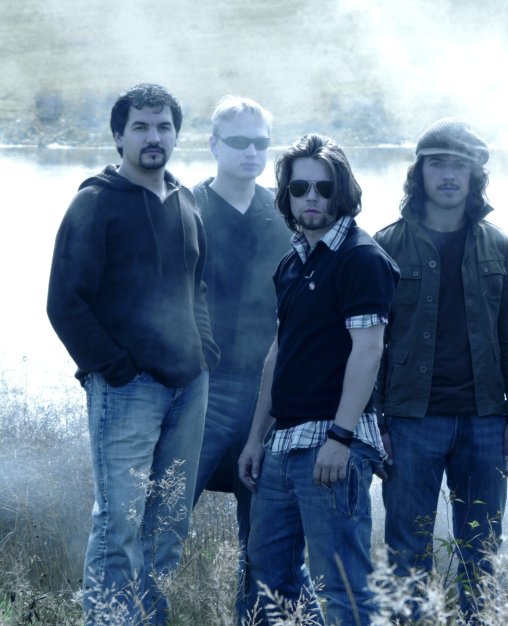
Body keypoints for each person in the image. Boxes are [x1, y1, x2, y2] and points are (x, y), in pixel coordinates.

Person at [47, 83, 218, 625]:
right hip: (128, 390)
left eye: (164, 126)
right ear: (119, 136)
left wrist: (204, 352)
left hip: (189, 387)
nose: (153, 137)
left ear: (177, 135)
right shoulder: (95, 203)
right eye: (140, 127)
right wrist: (117, 370)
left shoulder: (185, 200)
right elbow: (65, 303)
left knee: (168, 525)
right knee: (118, 524)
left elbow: (198, 286)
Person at [237, 134, 398, 626]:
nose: (311, 197)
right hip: (283, 443)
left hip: (331, 443)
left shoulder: (361, 258)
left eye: (324, 188)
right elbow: (279, 353)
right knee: (270, 578)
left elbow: (368, 350)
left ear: (341, 192)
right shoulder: (292, 263)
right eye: (300, 187)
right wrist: (256, 437)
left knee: (344, 585)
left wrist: (341, 438)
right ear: (285, 194)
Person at [374, 118, 508, 615]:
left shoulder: (498, 244)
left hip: (485, 419)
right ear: (419, 172)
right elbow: (371, 342)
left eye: (460, 165)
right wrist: (376, 423)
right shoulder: (386, 245)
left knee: (482, 551)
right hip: (410, 421)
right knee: (407, 553)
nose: (448, 175)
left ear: (475, 174)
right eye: (437, 163)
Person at [190, 95, 289, 623]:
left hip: (272, 388)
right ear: (213, 144)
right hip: (204, 386)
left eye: (261, 143)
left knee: (265, 532)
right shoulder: (188, 207)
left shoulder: (284, 212)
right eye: (239, 141)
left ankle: (253, 618)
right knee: (167, 512)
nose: (252, 152)